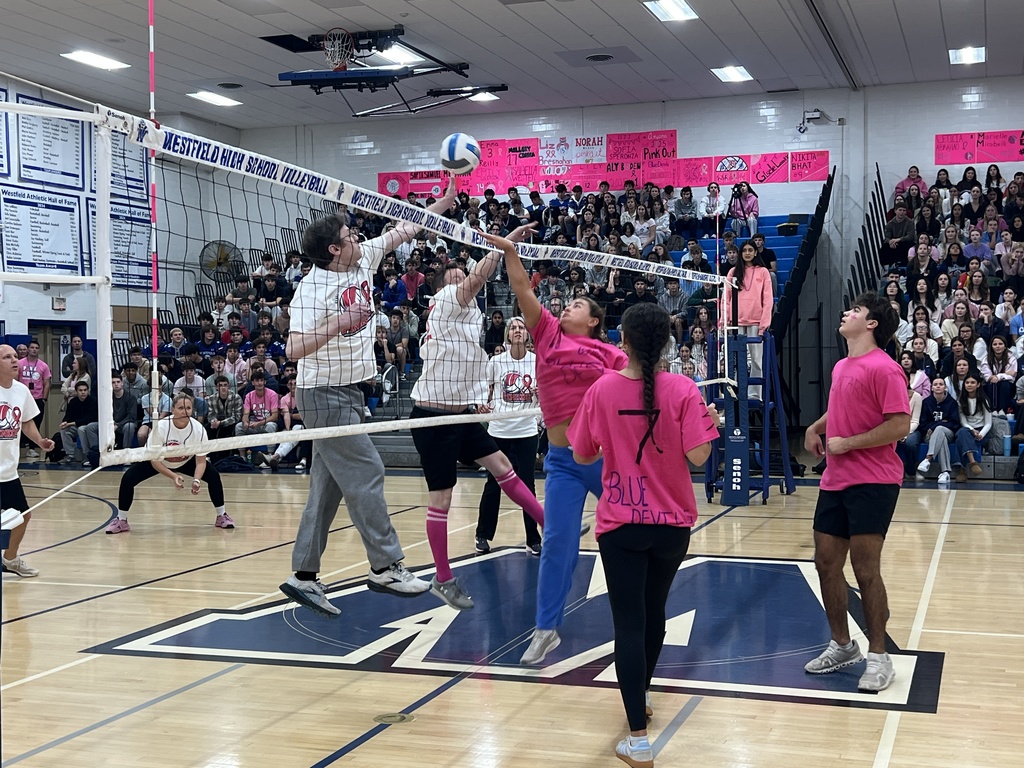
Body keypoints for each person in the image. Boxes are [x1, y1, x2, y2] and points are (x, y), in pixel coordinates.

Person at [278, 190, 457, 617]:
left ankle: (302, 576)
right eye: (349, 236)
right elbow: (291, 350)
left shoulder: (364, 258)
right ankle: (385, 566)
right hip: (322, 391)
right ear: (333, 249)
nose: (359, 238)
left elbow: (408, 227)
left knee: (327, 488)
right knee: (368, 469)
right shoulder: (310, 289)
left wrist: (446, 200)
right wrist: (337, 324)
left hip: (352, 389)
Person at [566, 304, 719, 768]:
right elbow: (700, 456)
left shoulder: (601, 389)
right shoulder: (684, 390)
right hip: (672, 526)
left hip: (622, 525)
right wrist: (708, 420)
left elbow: (581, 453)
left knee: (629, 624)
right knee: (653, 616)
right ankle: (641, 699)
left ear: (623, 341)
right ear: (666, 343)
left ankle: (637, 735)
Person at [504, 226, 629, 665]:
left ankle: (639, 616)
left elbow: (640, 385)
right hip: (562, 462)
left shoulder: (608, 353)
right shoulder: (548, 335)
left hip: (606, 459)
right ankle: (546, 628)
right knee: (557, 542)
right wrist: (509, 250)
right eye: (567, 303)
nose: (567, 306)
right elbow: (521, 287)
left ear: (594, 320)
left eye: (577, 304)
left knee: (627, 537)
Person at [409, 228, 545, 610]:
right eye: (453, 278)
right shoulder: (448, 298)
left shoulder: (471, 313)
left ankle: (548, 527)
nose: (461, 281)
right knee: (442, 498)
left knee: (502, 466)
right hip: (432, 417)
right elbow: (474, 280)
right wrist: (504, 244)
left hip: (462, 413)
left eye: (461, 276)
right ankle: (443, 578)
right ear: (441, 288)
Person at [803, 292, 909, 692]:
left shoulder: (885, 369)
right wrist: (816, 427)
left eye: (856, 310)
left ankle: (880, 657)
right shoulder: (844, 365)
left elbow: (899, 424)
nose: (847, 312)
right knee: (826, 564)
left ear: (872, 325)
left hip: (874, 481)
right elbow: (844, 407)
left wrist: (847, 444)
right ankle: (843, 645)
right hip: (836, 479)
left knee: (866, 571)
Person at [106, 393, 231, 533]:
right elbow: (154, 461)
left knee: (213, 476)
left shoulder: (198, 429)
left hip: (186, 460)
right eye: (181, 408)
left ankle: (221, 515)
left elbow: (201, 461)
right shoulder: (161, 427)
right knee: (128, 478)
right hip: (160, 461)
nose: (185, 411)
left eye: (188, 408)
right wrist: (173, 476)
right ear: (173, 409)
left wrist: (196, 480)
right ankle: (122, 520)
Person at [476, 316, 542, 556]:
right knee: (493, 484)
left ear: (527, 335)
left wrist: (540, 391)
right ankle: (482, 535)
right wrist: (480, 404)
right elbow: (483, 389)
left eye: (521, 328)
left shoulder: (537, 362)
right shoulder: (495, 361)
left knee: (528, 484)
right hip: (499, 431)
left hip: (526, 430)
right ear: (507, 335)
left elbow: (547, 396)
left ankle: (533, 539)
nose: (517, 331)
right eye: (513, 328)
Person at [0, 345, 55, 576]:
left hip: (8, 471)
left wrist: (40, 441)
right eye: (7, 357)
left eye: (15, 356)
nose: (15, 360)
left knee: (22, 516)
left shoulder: (21, 391)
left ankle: (10, 560)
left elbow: (26, 422)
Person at [722, 241, 773, 400]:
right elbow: (726, 298)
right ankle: (736, 393)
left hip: (755, 322)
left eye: (751, 250)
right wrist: (725, 319)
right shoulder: (733, 271)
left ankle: (754, 395)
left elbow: (768, 299)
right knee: (736, 360)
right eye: (744, 250)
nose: (747, 253)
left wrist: (764, 324)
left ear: (756, 252)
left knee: (756, 360)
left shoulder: (763, 272)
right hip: (735, 323)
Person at [909, 376, 960, 484]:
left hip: (948, 433)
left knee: (940, 429)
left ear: (945, 387)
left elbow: (954, 423)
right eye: (935, 384)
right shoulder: (926, 402)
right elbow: (922, 423)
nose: (938, 386)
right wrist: (934, 426)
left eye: (941, 384)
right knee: (941, 438)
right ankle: (945, 472)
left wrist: (935, 426)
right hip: (930, 434)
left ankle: (928, 458)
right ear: (931, 388)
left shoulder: (952, 403)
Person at [17, 340, 51, 458]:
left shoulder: (43, 365)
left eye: (36, 348)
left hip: (37, 398)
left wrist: (44, 399)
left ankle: (32, 448)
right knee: (19, 423)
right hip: (22, 399)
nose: (34, 349)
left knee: (36, 424)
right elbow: (15, 380)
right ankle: (18, 446)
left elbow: (47, 383)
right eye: (32, 347)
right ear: (28, 349)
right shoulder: (20, 363)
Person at [57, 380, 98, 465]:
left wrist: (71, 423)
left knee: (81, 429)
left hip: (89, 426)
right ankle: (70, 455)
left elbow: (90, 418)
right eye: (80, 390)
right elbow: (68, 416)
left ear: (88, 390)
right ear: (76, 391)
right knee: (64, 430)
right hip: (75, 425)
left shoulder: (93, 401)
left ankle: (87, 455)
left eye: (85, 390)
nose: (83, 392)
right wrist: (64, 423)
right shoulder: (73, 402)